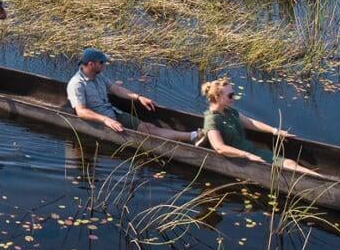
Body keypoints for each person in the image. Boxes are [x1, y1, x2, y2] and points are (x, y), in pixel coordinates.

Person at [67, 49, 201, 142]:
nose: (105, 65)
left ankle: (191, 136)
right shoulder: (76, 84)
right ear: (91, 64)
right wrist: (105, 120)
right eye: (102, 62)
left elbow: (116, 89)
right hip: (101, 121)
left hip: (113, 114)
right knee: (149, 130)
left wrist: (138, 97)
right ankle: (192, 136)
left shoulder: (98, 75)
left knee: (148, 128)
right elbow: (81, 112)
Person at [201, 77, 320, 176]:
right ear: (217, 97)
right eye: (230, 95)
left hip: (250, 151)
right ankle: (326, 184)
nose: (234, 98)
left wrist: (275, 130)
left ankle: (324, 180)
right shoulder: (212, 120)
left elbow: (249, 122)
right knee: (289, 165)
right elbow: (219, 147)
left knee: (290, 164)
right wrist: (247, 155)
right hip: (240, 159)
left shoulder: (229, 111)